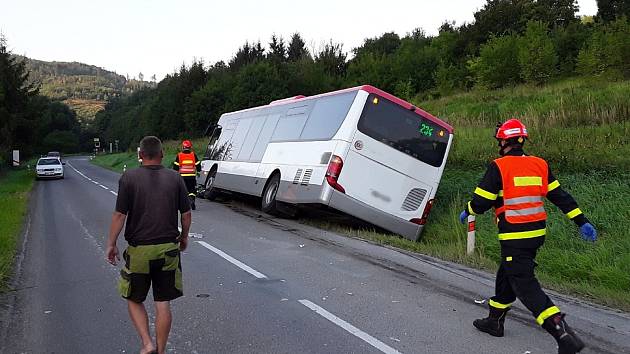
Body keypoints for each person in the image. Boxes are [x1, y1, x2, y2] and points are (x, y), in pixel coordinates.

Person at [460, 119, 597, 354]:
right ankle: (494, 322)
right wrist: (581, 220)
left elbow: (482, 202)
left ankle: (563, 336)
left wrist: (469, 210)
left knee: (525, 286)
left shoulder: (499, 166)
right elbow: (560, 196)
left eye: (500, 140)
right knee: (507, 274)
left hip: (515, 235)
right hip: (535, 236)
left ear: (504, 141)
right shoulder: (539, 164)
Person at [106, 136, 192, 354]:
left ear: (140, 155)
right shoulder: (175, 178)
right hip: (168, 250)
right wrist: (184, 237)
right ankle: (161, 351)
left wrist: (111, 243)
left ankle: (147, 344)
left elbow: (119, 215)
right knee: (163, 302)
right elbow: (186, 213)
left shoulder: (129, 178)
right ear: (162, 154)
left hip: (139, 252)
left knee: (133, 298)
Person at [173, 140, 201, 210]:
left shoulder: (179, 155)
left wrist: (175, 174)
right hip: (191, 176)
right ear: (190, 147)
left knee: (182, 190)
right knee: (192, 189)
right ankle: (192, 199)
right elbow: (198, 165)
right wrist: (199, 171)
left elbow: (176, 166)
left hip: (182, 176)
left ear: (183, 147)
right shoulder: (193, 155)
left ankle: (182, 204)